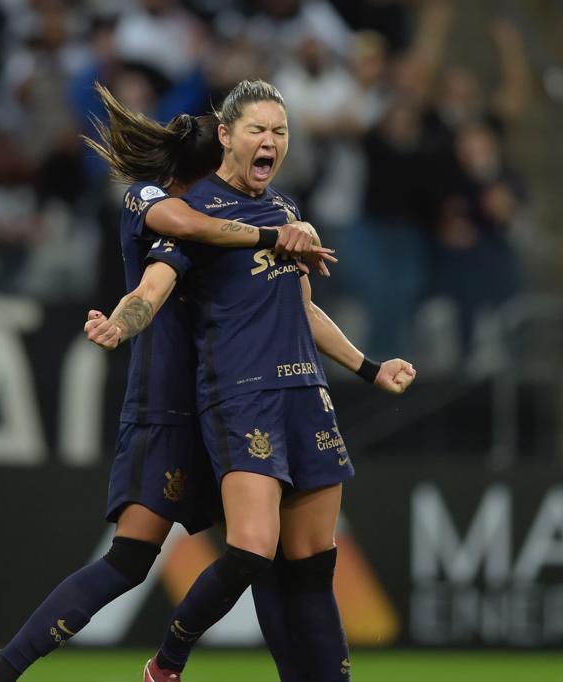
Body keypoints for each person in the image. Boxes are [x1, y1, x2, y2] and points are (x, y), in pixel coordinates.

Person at [0, 84, 334, 682]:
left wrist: (365, 361)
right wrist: (272, 234)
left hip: (224, 401)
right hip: (167, 409)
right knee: (133, 559)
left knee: (259, 553)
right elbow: (177, 241)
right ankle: (2, 671)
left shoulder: (234, 215)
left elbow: (295, 305)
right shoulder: (157, 204)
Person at [85, 79, 415, 682]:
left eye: (280, 132)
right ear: (227, 136)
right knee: (251, 550)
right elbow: (152, 289)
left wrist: (370, 368)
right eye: (258, 130)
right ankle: (167, 660)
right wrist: (121, 324)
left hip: (306, 398)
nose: (271, 142)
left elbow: (304, 311)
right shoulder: (195, 215)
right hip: (242, 400)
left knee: (314, 566)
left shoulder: (287, 213)